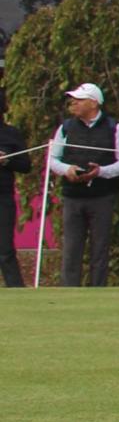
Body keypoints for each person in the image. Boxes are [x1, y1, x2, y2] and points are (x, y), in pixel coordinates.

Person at [47, 83, 119, 287]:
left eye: (79, 100)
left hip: (102, 196)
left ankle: (98, 292)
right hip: (72, 196)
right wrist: (67, 170)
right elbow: (53, 159)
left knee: (100, 249)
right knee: (71, 249)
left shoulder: (114, 127)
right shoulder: (66, 127)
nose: (73, 103)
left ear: (94, 103)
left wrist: (101, 172)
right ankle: (69, 293)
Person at [0, 89, 32, 287]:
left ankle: (17, 292)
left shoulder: (11, 134)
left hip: (3, 197)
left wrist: (6, 160)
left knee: (4, 249)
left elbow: (25, 165)